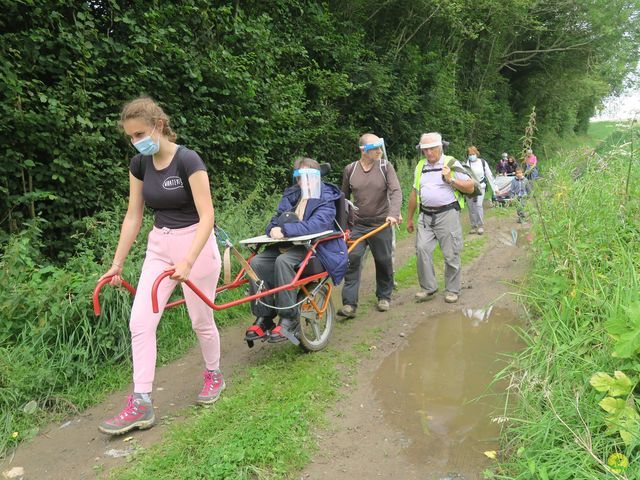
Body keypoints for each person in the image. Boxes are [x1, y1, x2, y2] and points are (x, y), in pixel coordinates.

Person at [97, 97, 224, 435]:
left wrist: (188, 259)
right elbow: (133, 215)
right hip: (159, 245)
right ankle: (141, 402)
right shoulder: (139, 165)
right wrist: (117, 263)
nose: (137, 142)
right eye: (130, 137)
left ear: (159, 125)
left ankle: (214, 374)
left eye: (140, 133)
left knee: (200, 320)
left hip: (195, 243)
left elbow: (207, 214)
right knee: (140, 321)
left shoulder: (188, 161)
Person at [245, 157, 348, 344]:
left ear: (317, 177)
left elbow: (318, 224)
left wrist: (285, 230)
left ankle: (289, 318)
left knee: (283, 262)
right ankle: (265, 317)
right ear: (297, 179)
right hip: (291, 245)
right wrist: (273, 229)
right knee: (256, 263)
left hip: (317, 247)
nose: (305, 180)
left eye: (309, 176)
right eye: (301, 176)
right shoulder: (292, 195)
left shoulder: (326, 196)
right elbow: (276, 219)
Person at [338, 133, 402, 317]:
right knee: (352, 261)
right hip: (358, 225)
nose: (380, 151)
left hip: (381, 224)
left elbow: (396, 191)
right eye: (375, 148)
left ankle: (384, 296)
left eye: (380, 147)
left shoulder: (385, 166)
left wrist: (393, 214)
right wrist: (344, 226)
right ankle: (349, 305)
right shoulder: (350, 169)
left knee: (383, 261)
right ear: (363, 150)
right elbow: (343, 199)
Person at [407, 132, 474, 304]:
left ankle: (452, 289)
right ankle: (428, 287)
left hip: (447, 214)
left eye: (432, 149)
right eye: (425, 150)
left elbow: (470, 187)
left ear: (440, 147)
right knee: (422, 250)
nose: (428, 153)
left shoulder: (451, 163)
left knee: (451, 253)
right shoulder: (420, 166)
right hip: (425, 215)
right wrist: (409, 218)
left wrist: (450, 180)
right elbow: (414, 193)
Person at [464, 146, 496, 235]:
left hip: (481, 186)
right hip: (470, 187)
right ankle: (473, 226)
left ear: (476, 154)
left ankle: (480, 225)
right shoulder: (466, 164)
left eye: (473, 154)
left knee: (478, 205)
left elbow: (489, 175)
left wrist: (495, 189)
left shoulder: (482, 162)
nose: (471, 156)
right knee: (471, 207)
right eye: (470, 154)